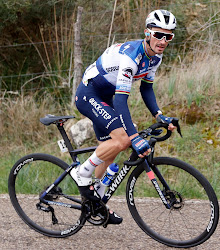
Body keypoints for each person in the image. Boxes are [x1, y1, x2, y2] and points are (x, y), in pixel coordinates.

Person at [72, 9, 177, 225]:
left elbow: (146, 89)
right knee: (124, 139)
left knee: (111, 148)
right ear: (147, 33)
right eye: (159, 34)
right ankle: (81, 173)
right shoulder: (132, 56)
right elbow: (121, 101)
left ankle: (96, 202)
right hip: (89, 93)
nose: (163, 40)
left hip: (107, 97)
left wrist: (160, 115)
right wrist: (134, 136)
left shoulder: (155, 57)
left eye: (168, 36)